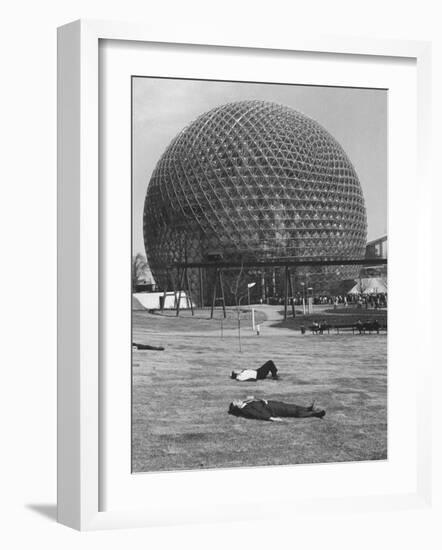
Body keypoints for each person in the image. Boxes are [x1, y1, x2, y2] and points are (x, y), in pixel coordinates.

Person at [228, 397, 326, 421]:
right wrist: (272, 418)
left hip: (271, 404)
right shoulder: (246, 410)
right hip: (271, 409)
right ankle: (315, 414)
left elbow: (253, 399)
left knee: (291, 406)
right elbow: (258, 415)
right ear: (237, 406)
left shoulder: (245, 403)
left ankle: (308, 408)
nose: (238, 400)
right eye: (236, 402)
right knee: (293, 412)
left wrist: (260, 399)